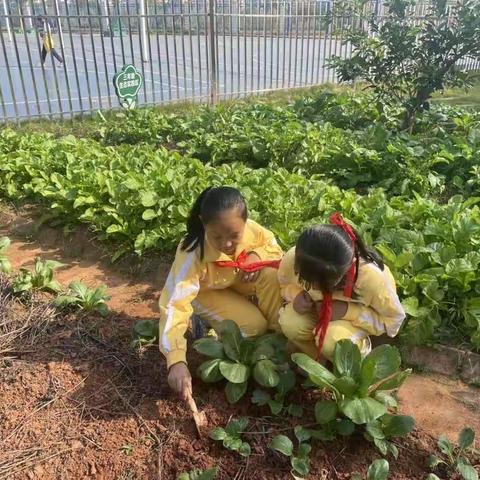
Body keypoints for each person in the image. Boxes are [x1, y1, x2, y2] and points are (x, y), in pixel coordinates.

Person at [159, 186, 284, 400]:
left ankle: (279, 341)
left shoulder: (251, 229)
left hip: (234, 279)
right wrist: (176, 360)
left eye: (235, 236)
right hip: (206, 291)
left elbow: (275, 248)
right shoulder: (191, 251)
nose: (226, 244)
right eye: (216, 236)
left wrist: (256, 255)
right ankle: (204, 320)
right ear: (203, 222)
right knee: (254, 327)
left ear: (245, 222)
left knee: (272, 275)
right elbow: (175, 304)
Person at [278, 213, 405, 361]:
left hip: (350, 323)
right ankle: (316, 362)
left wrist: (348, 311)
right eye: (306, 279)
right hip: (316, 313)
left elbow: (393, 322)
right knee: (290, 323)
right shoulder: (293, 259)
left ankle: (353, 363)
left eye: (323, 283)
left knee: (333, 341)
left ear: (345, 272)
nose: (313, 287)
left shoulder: (372, 279)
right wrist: (296, 294)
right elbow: (284, 284)